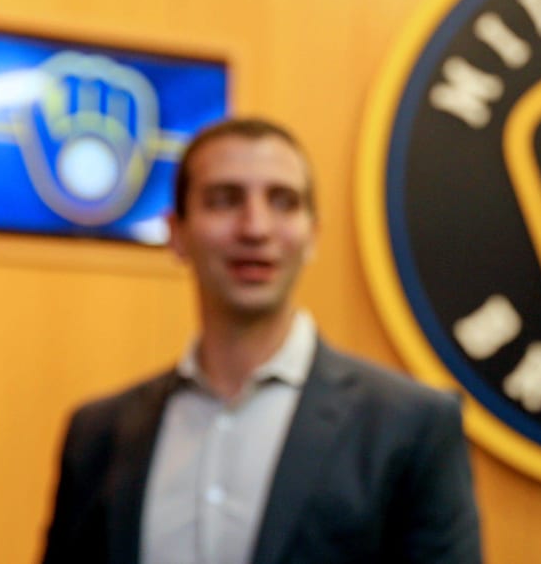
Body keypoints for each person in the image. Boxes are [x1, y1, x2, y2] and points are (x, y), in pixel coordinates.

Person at [42, 117, 481, 564]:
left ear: (313, 233)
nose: (255, 227)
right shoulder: (98, 436)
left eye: (283, 202)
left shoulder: (414, 428)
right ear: (176, 232)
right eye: (224, 200)